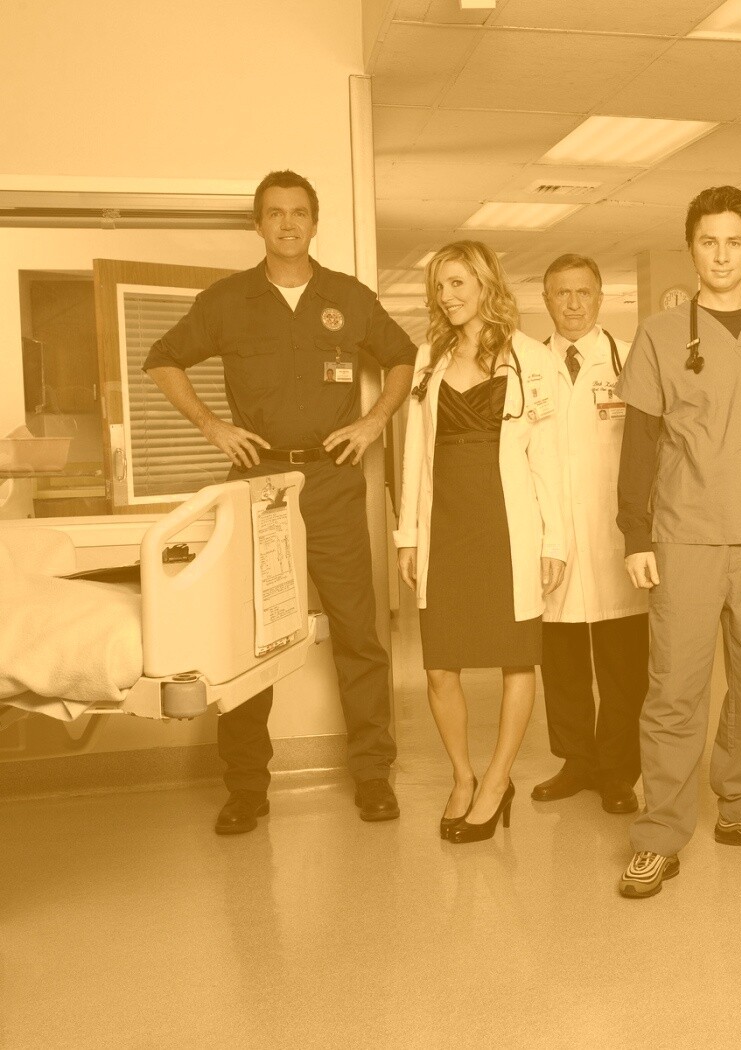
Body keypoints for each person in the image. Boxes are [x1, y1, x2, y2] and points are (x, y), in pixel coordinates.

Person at [145, 170, 414, 835]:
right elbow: (163, 359)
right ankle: (245, 787)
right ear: (258, 225)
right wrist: (213, 426)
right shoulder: (227, 301)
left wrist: (374, 420)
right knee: (250, 639)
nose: (288, 223)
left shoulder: (348, 297)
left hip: (333, 482)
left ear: (314, 223)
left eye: (299, 212)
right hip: (257, 486)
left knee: (358, 632)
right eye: (275, 213)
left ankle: (373, 774)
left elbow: (402, 356)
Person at [613, 185, 741, 898]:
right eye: (709, 242)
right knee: (676, 689)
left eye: (735, 242)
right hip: (687, 536)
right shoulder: (662, 335)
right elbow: (640, 442)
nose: (722, 255)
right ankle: (659, 833)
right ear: (691, 249)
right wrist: (636, 532)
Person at [394, 240, 565, 843]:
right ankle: (462, 776)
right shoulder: (428, 360)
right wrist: (408, 535)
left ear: (486, 284)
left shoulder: (529, 358)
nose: (447, 296)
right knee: (440, 664)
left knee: (517, 657)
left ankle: (496, 780)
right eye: (440, 286)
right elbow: (415, 454)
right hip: (446, 525)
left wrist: (554, 541)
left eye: (458, 283)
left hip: (507, 525)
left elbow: (548, 459)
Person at [532, 253, 649, 816]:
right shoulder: (526, 365)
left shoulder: (631, 360)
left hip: (615, 536)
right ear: (546, 300)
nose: (573, 303)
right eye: (562, 293)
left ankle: (618, 772)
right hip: (551, 536)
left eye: (583, 292)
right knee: (562, 663)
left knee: (624, 666)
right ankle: (576, 761)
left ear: (601, 298)